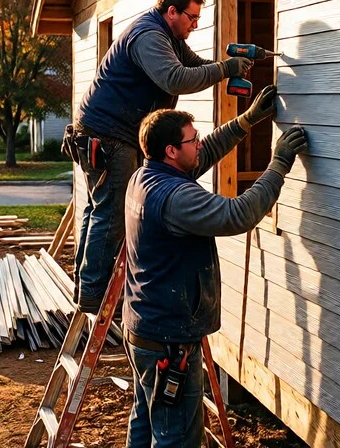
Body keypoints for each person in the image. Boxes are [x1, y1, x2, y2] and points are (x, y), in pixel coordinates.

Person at [122, 93, 308, 447]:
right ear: (172, 151)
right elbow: (237, 214)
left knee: (146, 421)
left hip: (143, 327)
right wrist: (279, 163)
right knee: (176, 437)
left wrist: (246, 121)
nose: (199, 144)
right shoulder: (175, 197)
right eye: (192, 139)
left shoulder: (144, 176)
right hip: (169, 342)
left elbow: (204, 154)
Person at [69, 0, 253, 313]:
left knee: (98, 209)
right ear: (172, 11)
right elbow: (175, 78)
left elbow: (194, 67)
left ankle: (86, 287)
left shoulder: (169, 37)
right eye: (192, 18)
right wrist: (226, 69)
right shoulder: (149, 36)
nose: (194, 25)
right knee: (110, 213)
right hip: (107, 134)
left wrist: (227, 70)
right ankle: (94, 295)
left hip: (108, 131)